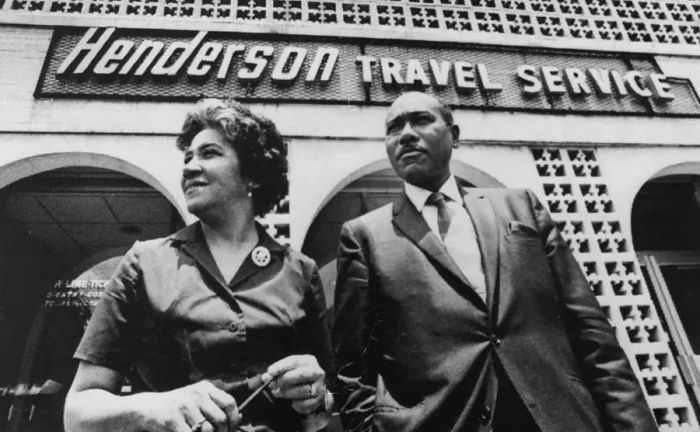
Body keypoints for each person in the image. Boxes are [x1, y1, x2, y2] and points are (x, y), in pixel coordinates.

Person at [332, 91, 657, 432]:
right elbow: (352, 369)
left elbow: (592, 334)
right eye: (394, 127)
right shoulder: (364, 236)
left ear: (454, 136)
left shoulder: (521, 208)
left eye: (421, 120)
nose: (407, 134)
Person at [64, 98, 333, 432]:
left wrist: (316, 399)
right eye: (188, 157)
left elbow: (324, 410)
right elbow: (77, 413)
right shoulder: (145, 263)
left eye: (209, 153)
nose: (189, 167)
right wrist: (156, 406)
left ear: (253, 175)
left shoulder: (300, 271)